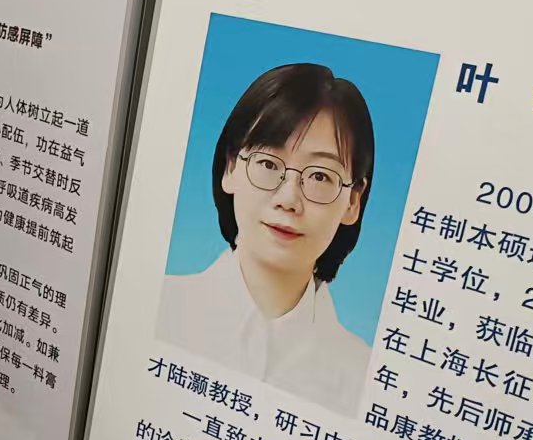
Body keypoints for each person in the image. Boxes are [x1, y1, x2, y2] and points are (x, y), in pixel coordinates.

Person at [157, 62, 374, 416]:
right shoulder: (160, 307)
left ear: (353, 201)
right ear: (230, 167)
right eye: (269, 164)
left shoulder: (364, 378)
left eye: (320, 176)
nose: (288, 199)